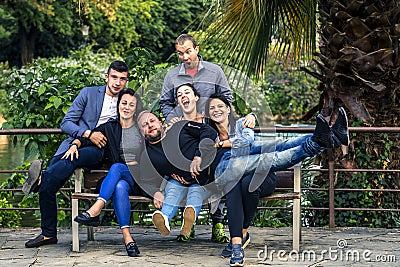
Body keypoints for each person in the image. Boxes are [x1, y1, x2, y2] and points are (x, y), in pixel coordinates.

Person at [203, 94, 349, 266]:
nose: (216, 110)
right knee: (242, 179)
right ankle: (237, 244)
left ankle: (328, 138)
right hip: (232, 175)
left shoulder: (243, 123)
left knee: (275, 147)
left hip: (261, 177)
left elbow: (247, 140)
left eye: (220, 106)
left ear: (229, 109)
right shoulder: (209, 134)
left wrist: (222, 143)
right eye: (212, 108)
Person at [23, 60, 129, 248]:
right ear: (107, 77)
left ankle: (40, 180)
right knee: (51, 182)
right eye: (114, 77)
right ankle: (48, 234)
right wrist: (86, 134)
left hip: (100, 150)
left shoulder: (127, 100)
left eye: (122, 79)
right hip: (76, 143)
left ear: (126, 81)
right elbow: (66, 123)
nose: (117, 83)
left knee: (68, 160)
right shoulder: (88, 93)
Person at [159, 34, 254, 243]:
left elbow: (227, 98)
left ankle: (217, 223)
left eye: (188, 51)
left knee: (216, 173)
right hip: (185, 134)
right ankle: (188, 224)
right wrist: (174, 120)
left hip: (212, 132)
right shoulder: (172, 76)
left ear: (197, 49)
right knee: (189, 174)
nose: (184, 57)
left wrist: (215, 118)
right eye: (180, 53)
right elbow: (164, 103)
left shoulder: (215, 71)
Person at [67, 89, 144, 257]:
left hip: (139, 179)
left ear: (136, 108)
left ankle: (96, 209)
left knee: (116, 167)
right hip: (121, 180)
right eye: (124, 103)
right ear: (118, 105)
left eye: (131, 104)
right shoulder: (110, 128)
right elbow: (88, 137)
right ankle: (128, 239)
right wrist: (74, 144)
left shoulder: (141, 127)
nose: (127, 107)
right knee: (119, 187)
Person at [136, 110, 222, 240]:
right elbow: (145, 181)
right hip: (178, 181)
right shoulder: (147, 155)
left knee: (195, 192)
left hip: (203, 179)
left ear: (160, 122)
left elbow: (209, 132)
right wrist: (155, 192)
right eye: (144, 125)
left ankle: (188, 221)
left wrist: (198, 156)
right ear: (141, 133)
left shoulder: (180, 127)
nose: (150, 125)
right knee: (173, 187)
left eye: (152, 121)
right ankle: (164, 218)